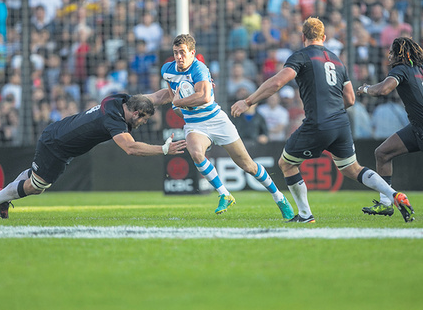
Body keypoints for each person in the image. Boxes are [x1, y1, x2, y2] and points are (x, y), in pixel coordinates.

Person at [231, 17, 414, 223]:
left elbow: (277, 83)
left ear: (303, 37)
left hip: (318, 122)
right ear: (324, 37)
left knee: (286, 164)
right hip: (341, 123)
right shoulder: (336, 59)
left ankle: (305, 215)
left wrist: (248, 101)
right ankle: (393, 194)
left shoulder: (301, 56)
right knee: (352, 169)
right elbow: (351, 99)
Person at [0, 90, 187, 220]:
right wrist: (164, 149)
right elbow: (131, 148)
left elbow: (159, 97)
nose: (143, 123)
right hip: (57, 146)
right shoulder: (114, 121)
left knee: (36, 179)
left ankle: (0, 197)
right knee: (35, 187)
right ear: (135, 114)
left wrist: (187, 89)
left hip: (58, 132)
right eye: (144, 120)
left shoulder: (122, 99)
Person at [158, 34, 294, 218]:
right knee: (196, 153)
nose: (178, 57)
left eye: (182, 52)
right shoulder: (167, 70)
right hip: (194, 124)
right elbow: (172, 94)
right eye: (175, 53)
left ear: (192, 53)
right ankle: (224, 194)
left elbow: (204, 97)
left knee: (248, 165)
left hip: (216, 120)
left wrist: (179, 102)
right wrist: (177, 106)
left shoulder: (199, 68)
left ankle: (280, 199)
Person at [357, 36, 422, 220]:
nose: (389, 55)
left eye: (392, 52)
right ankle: (386, 204)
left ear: (400, 54)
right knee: (382, 153)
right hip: (416, 127)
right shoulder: (418, 69)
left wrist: (365, 88)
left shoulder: (400, 69)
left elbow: (383, 90)